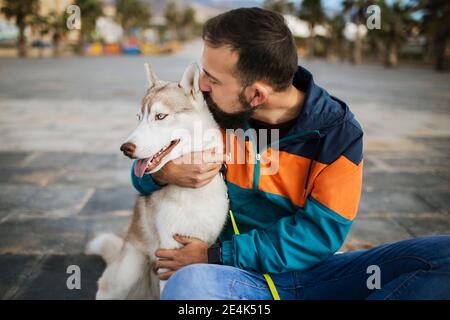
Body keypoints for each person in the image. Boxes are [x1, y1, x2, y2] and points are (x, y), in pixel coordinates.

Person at [131, 8, 450, 300]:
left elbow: (320, 234)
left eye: (212, 79)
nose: (200, 85)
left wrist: (215, 255)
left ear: (256, 94)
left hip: (320, 274)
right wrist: (165, 173)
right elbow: (143, 165)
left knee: (444, 256)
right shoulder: (212, 115)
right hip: (240, 282)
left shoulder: (339, 135)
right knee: (187, 288)